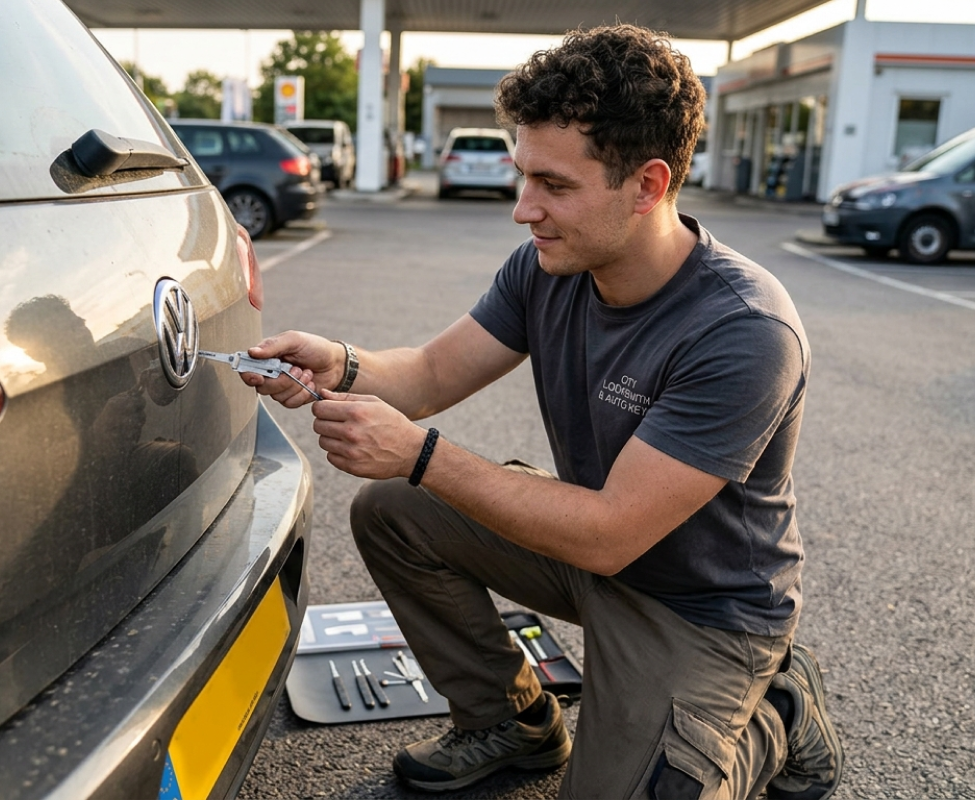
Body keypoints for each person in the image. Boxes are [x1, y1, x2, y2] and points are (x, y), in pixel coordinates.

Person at [242, 24, 844, 799]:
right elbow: (428, 373)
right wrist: (342, 363)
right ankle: (512, 722)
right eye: (523, 174)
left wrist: (422, 453)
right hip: (591, 549)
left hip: (702, 608)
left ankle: (777, 715)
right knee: (394, 509)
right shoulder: (548, 267)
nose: (524, 210)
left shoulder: (743, 330)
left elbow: (612, 532)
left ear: (649, 186)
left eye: (554, 186)